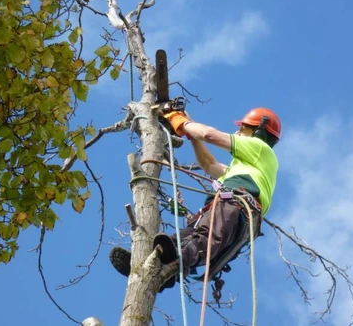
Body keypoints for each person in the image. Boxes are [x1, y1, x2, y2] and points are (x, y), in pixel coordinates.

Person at [109, 107, 281, 291]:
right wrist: (190, 134)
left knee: (203, 240)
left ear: (259, 130)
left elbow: (208, 135)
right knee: (176, 240)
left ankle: (174, 265)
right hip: (224, 209)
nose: (237, 131)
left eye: (243, 128)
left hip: (236, 208)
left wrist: (180, 121)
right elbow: (209, 164)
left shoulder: (261, 149)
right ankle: (149, 266)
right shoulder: (243, 167)